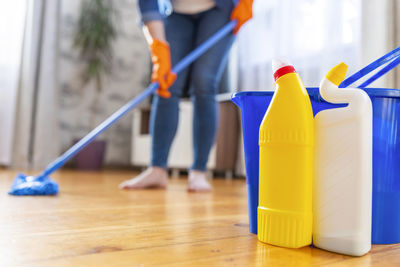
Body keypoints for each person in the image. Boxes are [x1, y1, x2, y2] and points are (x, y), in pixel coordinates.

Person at [119, 0, 253, 192]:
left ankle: (198, 171)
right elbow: (148, 4)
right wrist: (159, 50)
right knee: (166, 83)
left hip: (220, 11)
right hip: (175, 12)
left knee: (204, 82)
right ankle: (157, 169)